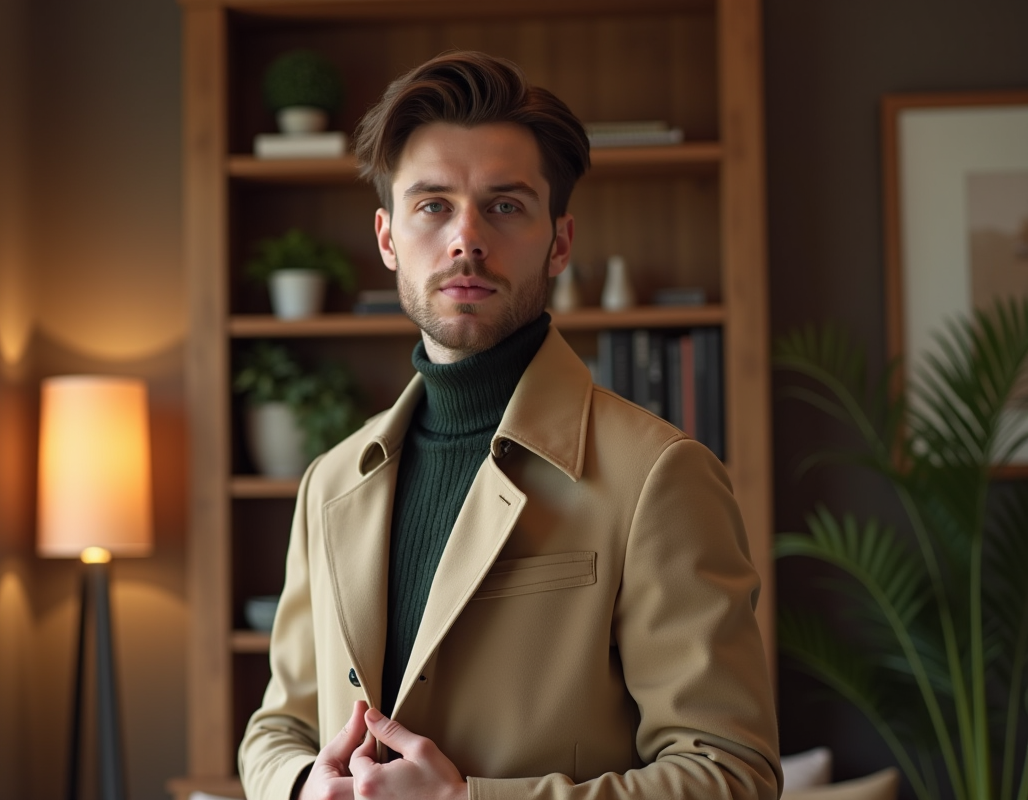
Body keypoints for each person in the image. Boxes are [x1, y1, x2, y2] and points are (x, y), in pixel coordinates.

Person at [238, 51, 782, 800]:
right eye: (432, 205)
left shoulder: (659, 475)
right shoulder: (328, 482)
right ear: (387, 237)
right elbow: (277, 728)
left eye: (504, 206)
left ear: (559, 242)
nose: (466, 238)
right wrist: (303, 786)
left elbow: (730, 772)